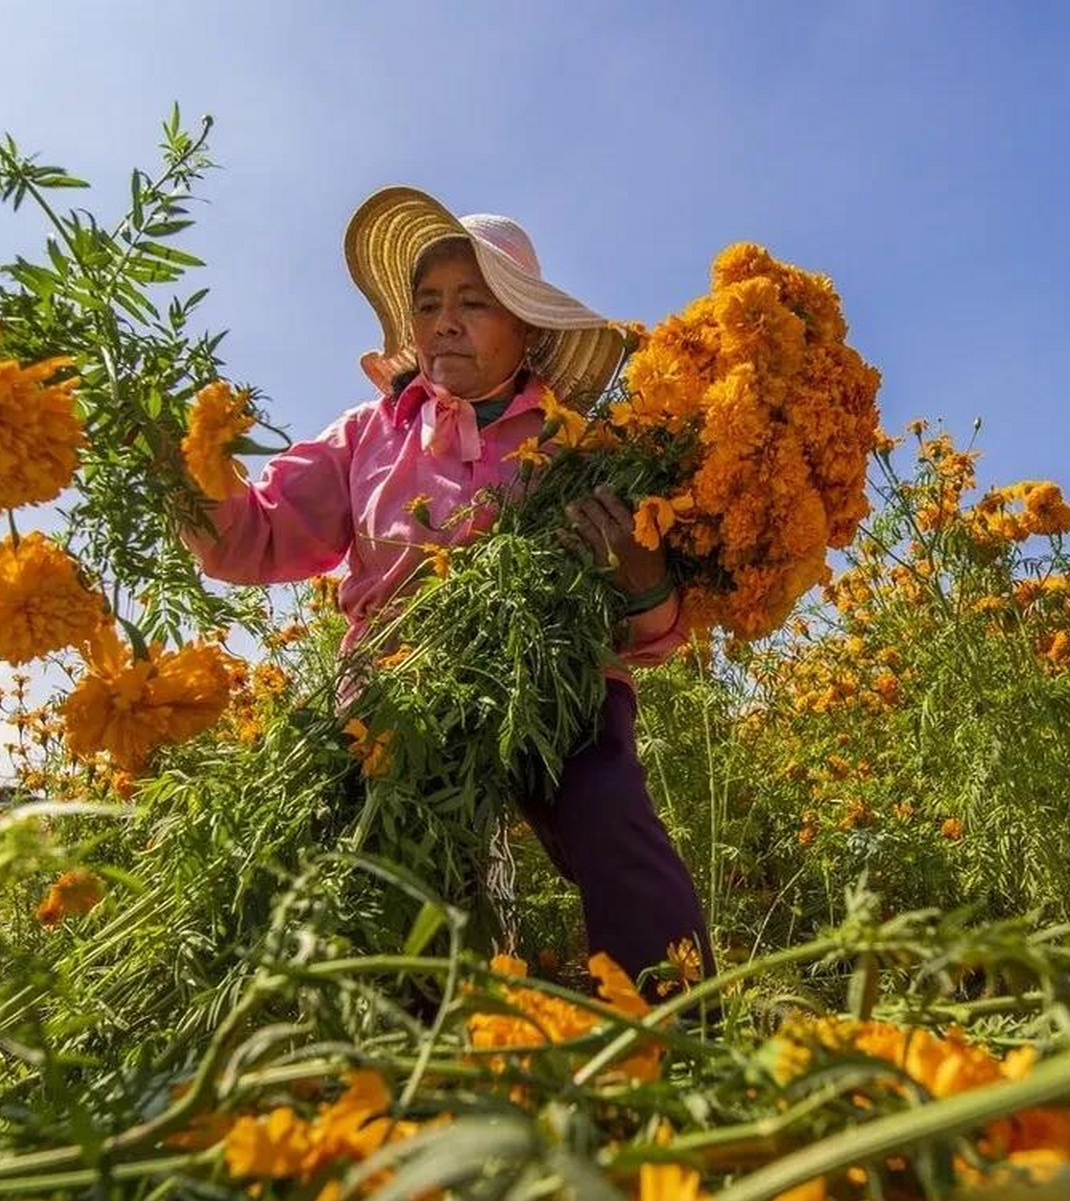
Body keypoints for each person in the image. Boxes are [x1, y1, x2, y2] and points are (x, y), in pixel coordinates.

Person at [183, 186, 714, 994]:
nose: (444, 322)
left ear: (526, 326)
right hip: (399, 689)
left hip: (556, 678)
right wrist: (182, 467)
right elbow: (249, 537)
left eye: (474, 301)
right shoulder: (367, 434)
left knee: (608, 815)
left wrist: (641, 581)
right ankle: (430, 1043)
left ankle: (678, 1024)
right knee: (403, 882)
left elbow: (656, 631)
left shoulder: (581, 447)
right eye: (428, 304)